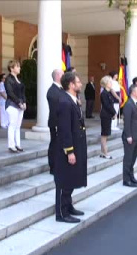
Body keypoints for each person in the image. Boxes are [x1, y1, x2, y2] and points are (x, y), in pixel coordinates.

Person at [54, 72, 87, 223]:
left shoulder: (73, 100)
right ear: (71, 85)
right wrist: (70, 151)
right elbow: (65, 129)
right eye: (78, 82)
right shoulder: (65, 102)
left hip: (77, 144)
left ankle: (69, 206)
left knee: (72, 178)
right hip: (68, 147)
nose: (80, 84)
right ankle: (62, 213)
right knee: (65, 180)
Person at [122, 84, 137, 188]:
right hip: (130, 136)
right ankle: (126, 180)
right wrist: (128, 135)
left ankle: (131, 177)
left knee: (133, 158)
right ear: (133, 92)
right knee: (128, 158)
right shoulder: (128, 104)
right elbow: (127, 121)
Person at [5, 60, 26, 153]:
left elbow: (22, 92)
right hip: (12, 105)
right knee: (12, 125)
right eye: (17, 66)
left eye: (19, 66)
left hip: (20, 105)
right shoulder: (8, 79)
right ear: (11, 68)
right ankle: (11, 145)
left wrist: (24, 102)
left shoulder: (19, 79)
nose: (19, 68)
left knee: (18, 126)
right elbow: (10, 93)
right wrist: (19, 103)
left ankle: (18, 144)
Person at [46, 69, 64, 175]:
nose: (64, 76)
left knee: (59, 145)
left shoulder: (60, 89)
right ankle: (53, 166)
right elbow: (56, 109)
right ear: (57, 76)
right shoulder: (52, 91)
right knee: (55, 145)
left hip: (60, 122)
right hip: (56, 122)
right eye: (62, 74)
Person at [100, 75, 117, 159]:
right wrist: (114, 113)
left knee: (106, 134)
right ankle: (105, 153)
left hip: (108, 114)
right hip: (105, 115)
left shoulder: (109, 92)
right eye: (110, 82)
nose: (111, 83)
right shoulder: (104, 93)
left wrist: (113, 113)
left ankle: (103, 151)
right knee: (104, 134)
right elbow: (107, 105)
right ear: (106, 83)